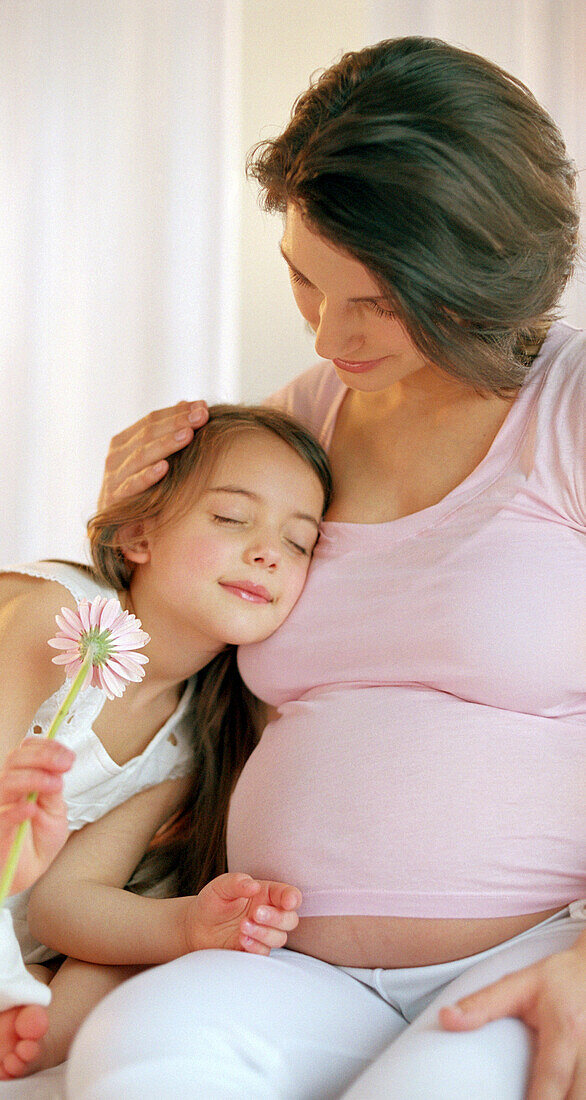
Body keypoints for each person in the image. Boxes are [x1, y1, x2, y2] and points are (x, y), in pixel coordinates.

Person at [65, 36, 586, 1100]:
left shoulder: (564, 407)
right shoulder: (296, 425)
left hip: (529, 955)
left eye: (380, 301)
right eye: (305, 279)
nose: (328, 331)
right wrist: (128, 525)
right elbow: (168, 659)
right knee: (132, 1060)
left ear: (476, 272)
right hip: (295, 964)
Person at [0, 404, 332, 1079]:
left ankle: (15, 1035)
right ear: (140, 534)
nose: (267, 552)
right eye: (231, 518)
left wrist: (190, 926)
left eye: (299, 541)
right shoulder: (59, 624)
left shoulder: (187, 743)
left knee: (131, 957)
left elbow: (64, 904)